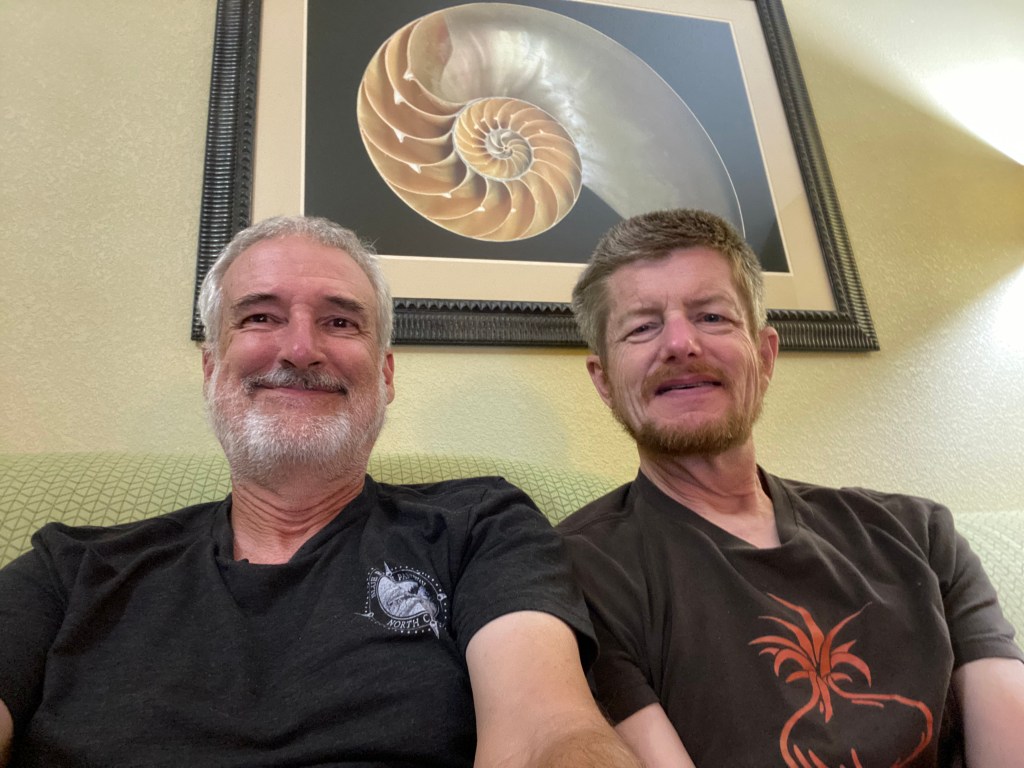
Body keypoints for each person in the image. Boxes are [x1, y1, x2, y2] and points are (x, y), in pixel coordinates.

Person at [0, 215, 641, 768]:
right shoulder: (70, 571)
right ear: (211, 369)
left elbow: (547, 732)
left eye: (339, 321)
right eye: (260, 317)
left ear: (385, 375)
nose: (301, 349)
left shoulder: (480, 527)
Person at [557, 208, 1024, 767]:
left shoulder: (920, 535)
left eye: (712, 317)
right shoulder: (577, 574)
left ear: (765, 356)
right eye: (641, 327)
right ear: (605, 381)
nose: (680, 342)